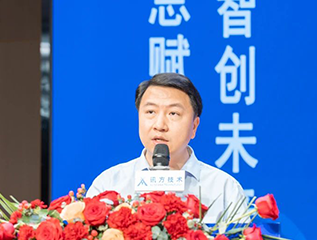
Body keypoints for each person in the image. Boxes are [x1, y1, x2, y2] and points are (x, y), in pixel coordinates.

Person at [86, 73, 247, 223]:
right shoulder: (109, 184)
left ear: (194, 126)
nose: (160, 125)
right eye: (151, 112)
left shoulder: (224, 189)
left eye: (173, 114)